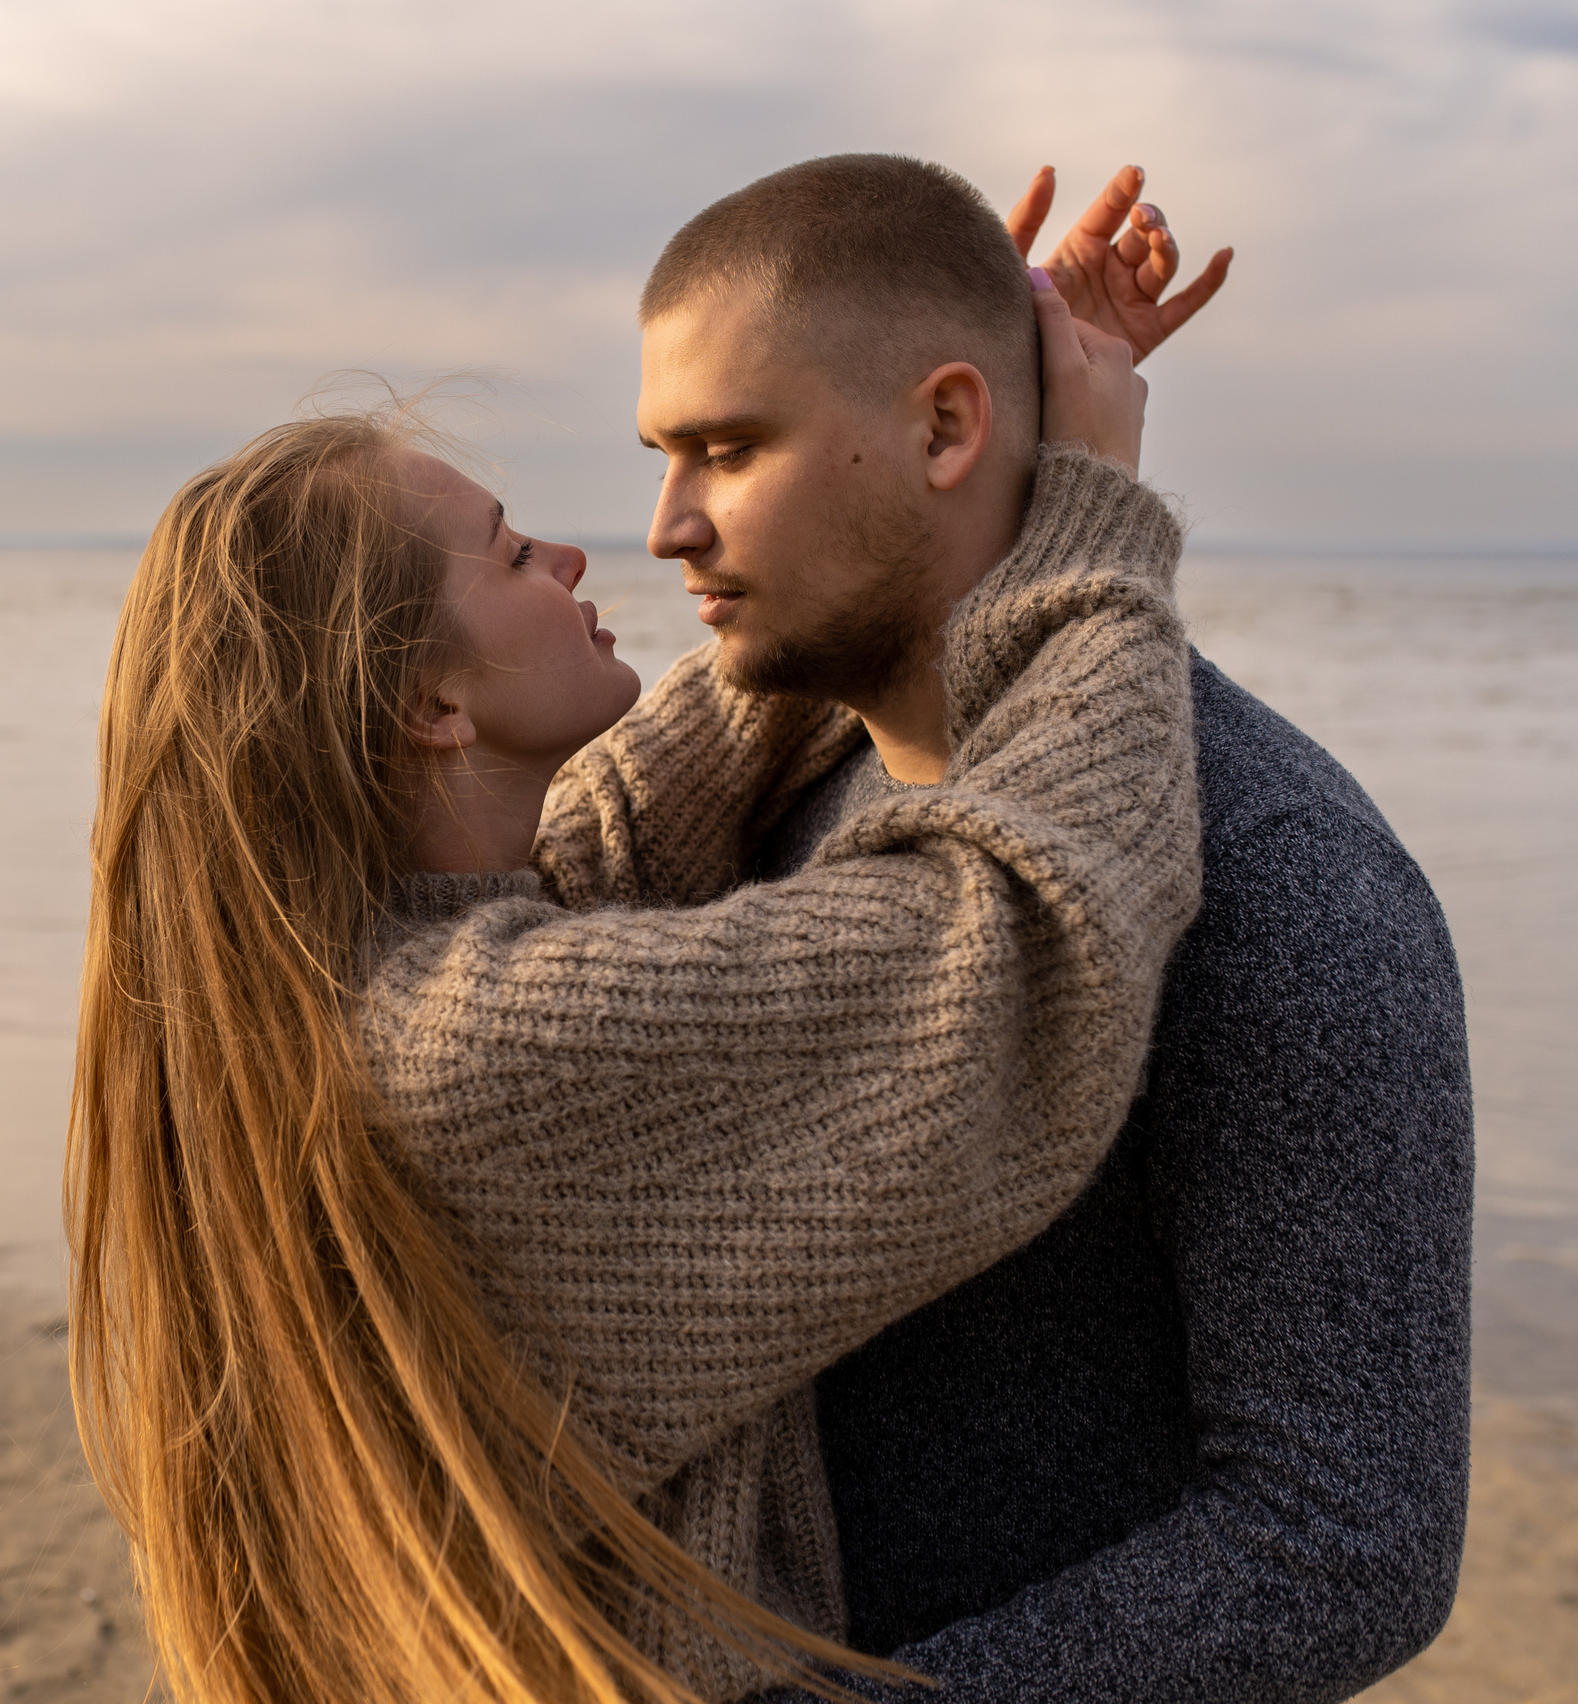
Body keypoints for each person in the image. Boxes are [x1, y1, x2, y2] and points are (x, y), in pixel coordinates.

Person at [69, 247, 1196, 1700]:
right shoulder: (475, 1052)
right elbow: (1024, 943)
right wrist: (1095, 505)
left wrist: (927, 449)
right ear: (430, 704)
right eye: (511, 551)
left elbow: (673, 778)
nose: (585, 556)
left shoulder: (361, 971)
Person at [544, 153, 1473, 1703]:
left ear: (948, 426)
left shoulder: (1278, 869)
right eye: (662, 452)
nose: (666, 526)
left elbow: (1342, 1535)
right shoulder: (773, 799)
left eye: (727, 448)